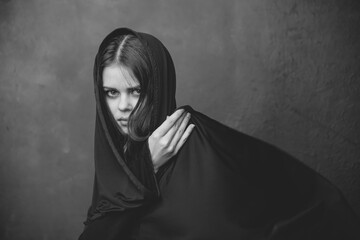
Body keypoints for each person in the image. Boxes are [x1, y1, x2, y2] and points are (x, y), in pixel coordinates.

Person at [79, 28, 360, 240]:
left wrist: (143, 172)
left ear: (157, 88)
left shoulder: (192, 143)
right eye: (111, 93)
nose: (123, 106)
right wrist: (144, 168)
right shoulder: (123, 153)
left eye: (136, 91)